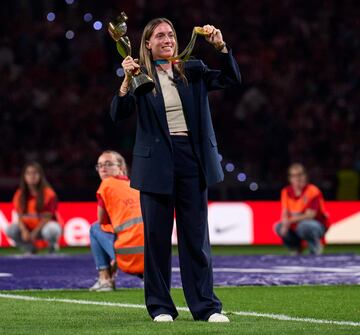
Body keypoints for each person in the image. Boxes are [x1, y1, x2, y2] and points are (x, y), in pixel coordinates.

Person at [110, 18, 241, 322]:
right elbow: (119, 113)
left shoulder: (191, 69)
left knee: (195, 239)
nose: (168, 39)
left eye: (171, 34)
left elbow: (231, 79)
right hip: (156, 162)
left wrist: (221, 48)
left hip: (192, 160)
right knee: (156, 240)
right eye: (160, 36)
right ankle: (160, 307)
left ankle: (206, 308)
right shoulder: (141, 77)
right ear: (147, 44)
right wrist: (127, 80)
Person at [89, 150, 144, 292]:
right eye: (99, 165)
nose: (102, 168)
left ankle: (105, 279)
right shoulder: (136, 186)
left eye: (108, 164)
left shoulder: (106, 185)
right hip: (152, 258)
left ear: (121, 167)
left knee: (95, 228)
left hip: (128, 256)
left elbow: (102, 221)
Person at [275, 163, 330, 255]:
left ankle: (315, 246)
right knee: (279, 227)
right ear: (290, 178)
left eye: (300, 175)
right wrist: (285, 222)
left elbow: (310, 215)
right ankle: (297, 248)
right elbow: (285, 211)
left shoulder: (312, 191)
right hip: (295, 225)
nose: (298, 178)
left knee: (304, 226)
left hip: (317, 224)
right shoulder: (286, 192)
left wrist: (289, 221)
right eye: (294, 176)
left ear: (305, 176)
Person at [7, 162, 61, 254]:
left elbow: (47, 218)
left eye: (35, 173)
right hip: (28, 230)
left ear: (40, 175)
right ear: (24, 176)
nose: (32, 176)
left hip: (43, 229)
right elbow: (19, 216)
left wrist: (35, 233)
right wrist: (24, 231)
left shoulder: (49, 193)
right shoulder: (19, 195)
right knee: (11, 230)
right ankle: (30, 249)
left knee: (52, 229)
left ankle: (52, 248)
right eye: (28, 173)